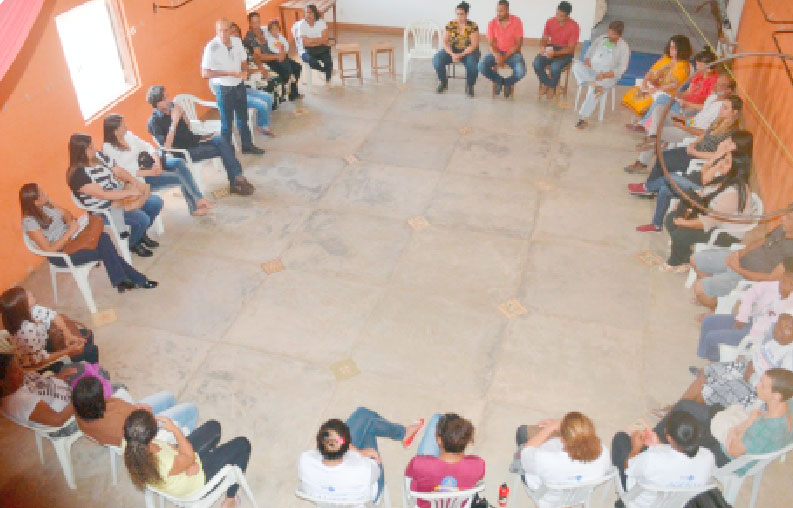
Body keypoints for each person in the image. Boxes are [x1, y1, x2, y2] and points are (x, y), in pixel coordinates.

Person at [20, 183, 155, 293]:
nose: (46, 194)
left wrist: (68, 222)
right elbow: (49, 250)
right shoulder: (29, 222)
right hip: (62, 254)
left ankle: (123, 280)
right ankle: (134, 280)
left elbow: (68, 216)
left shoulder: (46, 206)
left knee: (103, 238)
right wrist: (69, 232)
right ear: (35, 202)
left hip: (73, 239)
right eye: (42, 194)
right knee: (106, 250)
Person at [123, 409, 251, 508]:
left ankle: (208, 458)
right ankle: (230, 499)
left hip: (179, 464)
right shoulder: (164, 463)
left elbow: (170, 449)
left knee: (214, 426)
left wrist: (185, 461)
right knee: (243, 444)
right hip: (195, 480)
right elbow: (188, 458)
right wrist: (175, 430)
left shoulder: (129, 443)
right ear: (151, 434)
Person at [636, 129, 751, 235]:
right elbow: (704, 173)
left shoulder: (732, 165)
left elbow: (704, 181)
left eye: (730, 142)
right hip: (700, 185)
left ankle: (647, 188)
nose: (726, 143)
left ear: (738, 147)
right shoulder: (726, 157)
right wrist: (718, 155)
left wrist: (718, 157)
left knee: (670, 178)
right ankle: (656, 225)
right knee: (664, 189)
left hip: (702, 192)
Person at [299, 407, 424, 505]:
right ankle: (403, 433)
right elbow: (376, 465)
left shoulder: (305, 461)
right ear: (347, 446)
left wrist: (358, 452)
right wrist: (362, 453)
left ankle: (403, 433)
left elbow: (322, 448)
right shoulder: (362, 469)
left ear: (318, 444)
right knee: (365, 419)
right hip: (367, 499)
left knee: (365, 421)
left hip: (328, 502)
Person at [147, 85, 255, 196]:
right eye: (164, 98)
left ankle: (236, 179)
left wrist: (183, 114)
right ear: (156, 103)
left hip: (194, 141)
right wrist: (174, 122)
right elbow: (166, 148)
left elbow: (188, 128)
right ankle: (236, 180)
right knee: (225, 148)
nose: (168, 100)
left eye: (167, 96)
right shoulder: (154, 122)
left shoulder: (172, 109)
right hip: (183, 151)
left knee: (223, 141)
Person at [67, 133, 163, 258]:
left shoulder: (98, 156)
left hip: (120, 196)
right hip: (105, 209)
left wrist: (135, 182)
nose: (94, 149)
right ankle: (133, 243)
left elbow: (118, 170)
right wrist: (129, 193)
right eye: (90, 148)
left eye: (92, 145)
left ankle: (140, 235)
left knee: (156, 203)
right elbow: (103, 195)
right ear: (80, 152)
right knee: (142, 218)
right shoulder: (78, 175)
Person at [628, 95, 743, 199]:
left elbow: (718, 155)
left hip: (700, 157)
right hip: (694, 149)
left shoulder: (731, 133)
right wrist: (693, 144)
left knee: (666, 160)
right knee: (662, 155)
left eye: (725, 108)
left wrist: (695, 152)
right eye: (722, 106)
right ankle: (650, 187)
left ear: (734, 112)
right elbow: (704, 134)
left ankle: (649, 188)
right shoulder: (719, 121)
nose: (721, 109)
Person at [102, 114, 215, 217]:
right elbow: (125, 171)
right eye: (123, 125)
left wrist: (157, 162)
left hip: (151, 164)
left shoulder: (128, 135)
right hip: (140, 178)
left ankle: (198, 201)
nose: (126, 127)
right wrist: (151, 172)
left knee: (179, 162)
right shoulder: (108, 148)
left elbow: (148, 146)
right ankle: (196, 204)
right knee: (179, 177)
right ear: (115, 131)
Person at [626, 72, 736, 174]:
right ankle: (653, 136)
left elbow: (703, 133)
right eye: (718, 83)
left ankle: (642, 161)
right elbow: (698, 117)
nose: (717, 85)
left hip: (690, 132)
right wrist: (683, 119)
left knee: (659, 130)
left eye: (722, 85)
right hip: (688, 123)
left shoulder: (721, 110)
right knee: (659, 109)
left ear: (729, 91)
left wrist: (683, 127)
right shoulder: (713, 97)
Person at [681, 312, 793, 410]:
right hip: (747, 368)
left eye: (786, 328)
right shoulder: (773, 337)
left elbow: (774, 388)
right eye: (778, 324)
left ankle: (681, 412)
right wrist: (751, 365)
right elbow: (758, 350)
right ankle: (677, 408)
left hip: (756, 388)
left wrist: (752, 376)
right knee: (705, 374)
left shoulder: (789, 359)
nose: (776, 329)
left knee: (708, 391)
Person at [661, 151, 751, 269]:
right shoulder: (724, 178)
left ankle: (674, 262)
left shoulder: (734, 192)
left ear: (736, 168)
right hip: (710, 218)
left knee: (680, 233)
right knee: (670, 219)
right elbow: (705, 185)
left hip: (725, 233)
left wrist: (685, 223)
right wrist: (716, 167)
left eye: (726, 162)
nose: (721, 163)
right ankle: (686, 257)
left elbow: (712, 221)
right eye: (723, 159)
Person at [691, 210, 793, 310]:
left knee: (699, 288)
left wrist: (738, 269)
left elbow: (771, 279)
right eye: (785, 215)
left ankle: (714, 308)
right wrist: (739, 253)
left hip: (746, 275)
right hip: (739, 260)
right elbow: (762, 241)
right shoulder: (782, 229)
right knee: (694, 259)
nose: (782, 218)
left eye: (789, 218)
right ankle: (714, 296)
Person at [611, 411, 716, 507]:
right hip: (677, 503)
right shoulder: (708, 457)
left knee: (621, 438)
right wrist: (658, 445)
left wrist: (636, 448)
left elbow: (628, 466)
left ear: (669, 438)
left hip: (641, 502)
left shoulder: (651, 460)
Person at [512, 412, 610, 504]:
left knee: (522, 432)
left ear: (563, 439)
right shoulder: (603, 453)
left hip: (547, 495)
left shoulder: (545, 460)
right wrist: (564, 425)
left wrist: (550, 428)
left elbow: (526, 454)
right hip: (579, 495)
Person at [72, 376, 198, 447]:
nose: (105, 392)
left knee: (168, 396)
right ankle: (181, 442)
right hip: (144, 431)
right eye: (101, 392)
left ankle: (175, 427)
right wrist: (147, 413)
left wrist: (136, 408)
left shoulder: (82, 411)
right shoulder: (115, 422)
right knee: (191, 409)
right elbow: (140, 431)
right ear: (97, 401)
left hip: (135, 416)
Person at [698, 269, 793, 362]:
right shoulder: (774, 286)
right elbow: (750, 293)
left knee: (712, 337)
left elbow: (771, 332)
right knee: (708, 321)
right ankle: (702, 355)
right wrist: (743, 317)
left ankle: (715, 362)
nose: (781, 284)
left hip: (756, 336)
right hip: (751, 320)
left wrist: (746, 330)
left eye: (788, 283)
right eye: (782, 280)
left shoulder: (789, 308)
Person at [201, 18, 264, 156]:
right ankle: (227, 153)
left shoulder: (236, 41)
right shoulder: (212, 47)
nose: (223, 34)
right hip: (224, 89)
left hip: (239, 85)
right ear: (216, 31)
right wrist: (229, 73)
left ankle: (247, 146)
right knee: (226, 123)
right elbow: (205, 73)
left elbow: (243, 60)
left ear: (231, 30)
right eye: (220, 31)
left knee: (243, 118)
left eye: (225, 30)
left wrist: (244, 71)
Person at [0, 287, 97, 372]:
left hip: (43, 343)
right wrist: (68, 350)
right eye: (27, 296)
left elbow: (54, 316)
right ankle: (88, 373)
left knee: (86, 336)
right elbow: (40, 361)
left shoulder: (32, 309)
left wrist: (68, 335)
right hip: (38, 364)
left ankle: (86, 366)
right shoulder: (26, 332)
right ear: (22, 307)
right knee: (91, 350)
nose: (30, 292)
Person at [637, 48, 719, 142]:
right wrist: (677, 95)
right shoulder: (698, 76)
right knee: (662, 99)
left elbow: (707, 106)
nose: (697, 67)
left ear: (708, 68)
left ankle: (647, 126)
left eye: (699, 65)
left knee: (661, 102)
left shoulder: (714, 82)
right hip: (683, 104)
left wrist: (688, 105)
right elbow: (688, 92)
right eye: (697, 64)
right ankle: (649, 129)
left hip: (691, 110)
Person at [404, 413, 485, 508]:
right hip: (458, 505)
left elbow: (408, 476)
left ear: (438, 440)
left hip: (425, 505)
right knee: (437, 418)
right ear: (466, 441)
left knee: (436, 418)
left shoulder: (418, 463)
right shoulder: (478, 465)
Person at [572, 20, 629, 129]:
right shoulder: (601, 39)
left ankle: (583, 118)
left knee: (595, 91)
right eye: (609, 32)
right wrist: (587, 62)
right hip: (592, 72)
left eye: (613, 34)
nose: (609, 35)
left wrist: (605, 75)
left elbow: (621, 69)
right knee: (576, 66)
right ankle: (590, 82)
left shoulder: (624, 48)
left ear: (619, 35)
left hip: (606, 77)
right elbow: (588, 53)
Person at [622, 35, 692, 121]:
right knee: (633, 94)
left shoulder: (683, 66)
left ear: (682, 49)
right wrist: (645, 82)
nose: (671, 49)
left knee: (645, 101)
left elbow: (674, 84)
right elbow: (651, 71)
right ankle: (644, 116)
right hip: (655, 86)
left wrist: (656, 89)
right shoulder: (666, 58)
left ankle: (646, 118)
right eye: (670, 46)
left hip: (667, 92)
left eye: (674, 48)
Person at [0, 353, 74, 428]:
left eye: (19, 366)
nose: (22, 371)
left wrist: (59, 377)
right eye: (16, 371)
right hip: (72, 410)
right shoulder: (20, 402)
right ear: (1, 382)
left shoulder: (18, 383)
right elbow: (58, 420)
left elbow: (41, 384)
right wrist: (77, 396)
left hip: (66, 389)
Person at [230, 22, 276, 137]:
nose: (234, 34)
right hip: (232, 91)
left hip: (242, 87)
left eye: (236, 32)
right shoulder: (227, 53)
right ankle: (258, 127)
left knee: (268, 97)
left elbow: (248, 65)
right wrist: (254, 71)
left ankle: (262, 125)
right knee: (262, 104)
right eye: (232, 32)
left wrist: (258, 69)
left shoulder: (241, 47)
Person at [245, 14, 302, 101]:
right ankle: (284, 93)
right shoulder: (250, 37)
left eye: (258, 22)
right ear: (250, 23)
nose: (257, 25)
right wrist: (277, 56)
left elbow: (278, 39)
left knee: (297, 67)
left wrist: (282, 52)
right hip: (267, 60)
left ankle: (293, 93)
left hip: (276, 54)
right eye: (254, 23)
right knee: (286, 71)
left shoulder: (265, 30)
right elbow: (259, 57)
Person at [478, 0, 526, 99]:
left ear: (507, 10)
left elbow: (518, 44)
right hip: (496, 52)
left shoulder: (516, 21)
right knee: (481, 66)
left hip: (513, 53)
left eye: (501, 11)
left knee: (521, 71)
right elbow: (491, 44)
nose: (498, 13)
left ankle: (507, 83)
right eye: (497, 11)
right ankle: (499, 80)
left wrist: (504, 58)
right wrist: (497, 55)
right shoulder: (492, 23)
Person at [533, 1, 580, 100]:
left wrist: (554, 54)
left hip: (565, 52)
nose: (558, 17)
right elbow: (544, 38)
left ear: (567, 16)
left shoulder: (574, 26)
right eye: (557, 14)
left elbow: (570, 49)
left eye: (561, 16)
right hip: (552, 47)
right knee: (536, 63)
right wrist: (543, 46)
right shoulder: (550, 21)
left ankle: (550, 86)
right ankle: (549, 84)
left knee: (555, 67)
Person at [433, 1, 481, 97]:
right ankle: (443, 82)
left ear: (466, 14)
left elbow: (474, 45)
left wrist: (461, 55)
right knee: (437, 59)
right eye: (457, 14)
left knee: (472, 64)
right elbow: (445, 42)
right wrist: (452, 54)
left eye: (461, 14)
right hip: (453, 50)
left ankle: (470, 85)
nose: (459, 16)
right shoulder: (450, 24)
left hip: (469, 51)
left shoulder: (473, 26)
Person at [294, 4, 333, 84]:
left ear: (315, 13)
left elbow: (325, 40)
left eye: (310, 12)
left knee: (328, 61)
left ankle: (328, 81)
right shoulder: (302, 25)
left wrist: (311, 41)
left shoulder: (321, 22)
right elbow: (305, 43)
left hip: (321, 48)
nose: (308, 15)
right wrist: (319, 40)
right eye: (306, 12)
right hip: (306, 50)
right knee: (313, 62)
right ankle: (324, 70)